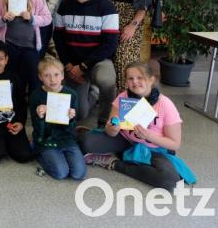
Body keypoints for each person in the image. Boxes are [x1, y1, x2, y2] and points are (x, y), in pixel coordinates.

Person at [81, 62, 196, 191]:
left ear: (151, 79)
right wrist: (112, 128)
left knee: (169, 180)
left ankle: (114, 163)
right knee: (86, 142)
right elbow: (110, 130)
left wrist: (148, 136)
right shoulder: (123, 98)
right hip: (125, 140)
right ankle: (125, 156)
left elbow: (175, 144)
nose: (135, 82)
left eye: (140, 77)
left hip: (154, 149)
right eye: (130, 78)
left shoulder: (165, 104)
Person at [53, 0, 119, 126]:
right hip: (73, 64)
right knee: (79, 114)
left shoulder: (106, 7)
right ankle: (93, 95)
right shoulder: (64, 7)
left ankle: (104, 121)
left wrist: (83, 66)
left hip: (98, 61)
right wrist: (68, 65)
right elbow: (59, 39)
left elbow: (109, 45)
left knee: (107, 82)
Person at [29, 56, 86, 180]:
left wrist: (71, 118)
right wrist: (39, 116)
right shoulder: (36, 95)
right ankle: (38, 152)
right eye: (47, 75)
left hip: (66, 139)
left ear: (62, 75)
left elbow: (71, 129)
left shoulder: (71, 95)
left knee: (78, 173)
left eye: (56, 74)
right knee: (61, 173)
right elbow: (37, 128)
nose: (52, 79)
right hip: (45, 140)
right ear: (40, 77)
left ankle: (55, 155)